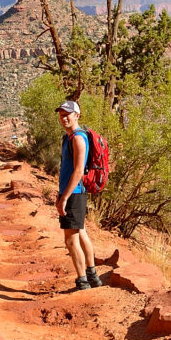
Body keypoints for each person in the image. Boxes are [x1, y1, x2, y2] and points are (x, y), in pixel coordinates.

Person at [55, 100, 103, 290]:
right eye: (61, 114)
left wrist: (65, 197)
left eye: (67, 114)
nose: (64, 117)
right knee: (81, 233)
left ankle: (82, 280)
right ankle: (93, 276)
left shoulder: (77, 138)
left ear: (77, 115)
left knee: (70, 240)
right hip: (72, 193)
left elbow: (77, 171)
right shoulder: (68, 138)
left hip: (74, 194)